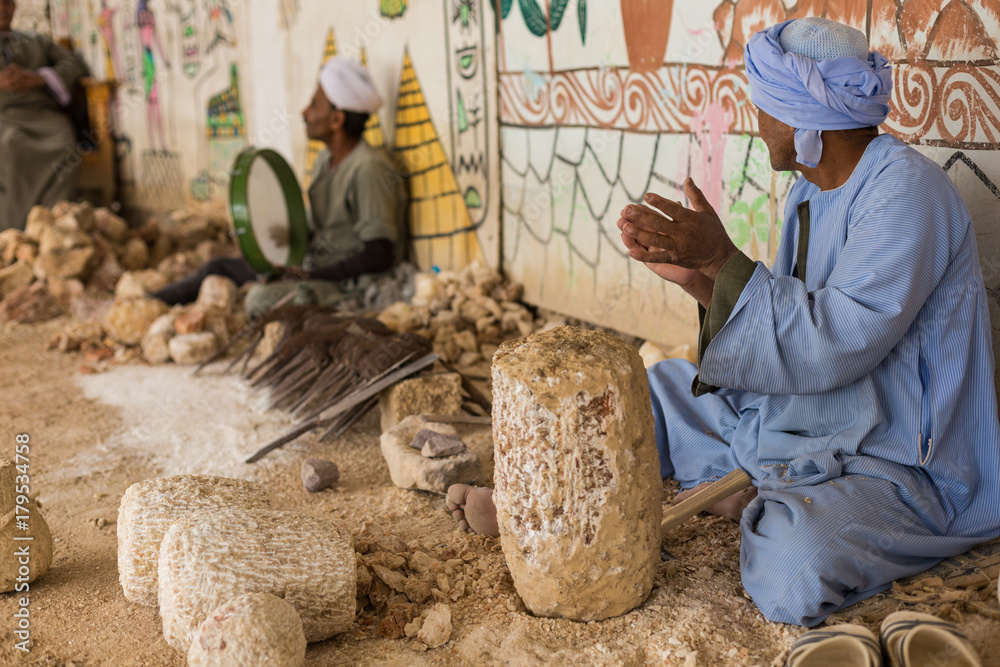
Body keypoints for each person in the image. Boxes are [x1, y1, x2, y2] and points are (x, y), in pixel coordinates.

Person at [447, 17, 1000, 627]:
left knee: (790, 566)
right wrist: (699, 279)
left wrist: (720, 257)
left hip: (896, 463)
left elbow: (835, 345)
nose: (757, 122)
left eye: (763, 106)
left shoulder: (906, 191)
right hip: (808, 420)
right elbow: (796, 313)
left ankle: (765, 495)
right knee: (645, 390)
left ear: (800, 117)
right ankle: (539, 501)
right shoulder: (812, 192)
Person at [153, 56, 407, 317]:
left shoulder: (369, 168)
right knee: (219, 267)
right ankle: (151, 304)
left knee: (260, 300)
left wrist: (308, 275)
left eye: (314, 105)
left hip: (346, 285)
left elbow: (379, 255)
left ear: (336, 120)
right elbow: (323, 221)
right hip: (312, 264)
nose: (305, 112)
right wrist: (280, 237)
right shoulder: (325, 160)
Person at [0, 0, 88, 231]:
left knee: (65, 143)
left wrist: (41, 77)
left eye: (7, 3)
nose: (2, 9)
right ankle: (13, 230)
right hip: (4, 117)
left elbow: (72, 63)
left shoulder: (36, 40)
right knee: (10, 146)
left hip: (43, 115)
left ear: (15, 7)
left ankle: (51, 225)